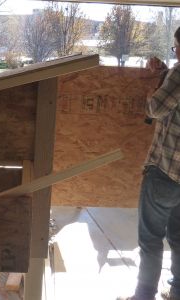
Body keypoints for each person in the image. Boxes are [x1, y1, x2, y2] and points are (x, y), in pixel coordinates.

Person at [118, 27, 180, 300]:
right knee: (178, 239)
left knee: (150, 239)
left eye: (176, 47)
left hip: (165, 173)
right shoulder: (175, 75)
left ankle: (143, 296)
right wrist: (165, 71)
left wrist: (151, 88)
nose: (175, 52)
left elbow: (155, 108)